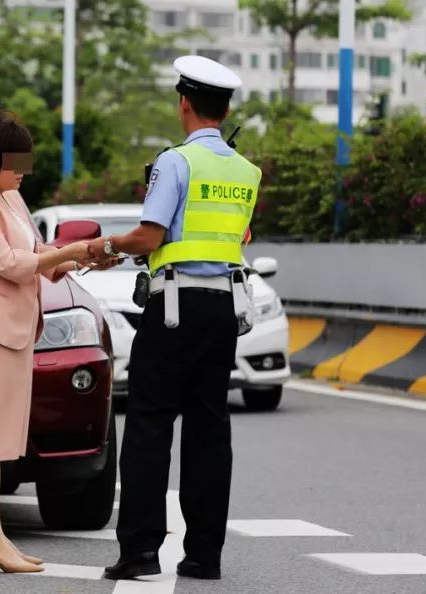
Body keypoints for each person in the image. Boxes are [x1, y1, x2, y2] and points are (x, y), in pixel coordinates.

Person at [93, 56, 261, 581]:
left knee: (149, 425)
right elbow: (240, 239)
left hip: (173, 307)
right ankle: (204, 555)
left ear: (184, 104)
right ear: (226, 108)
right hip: (223, 309)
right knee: (211, 429)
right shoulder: (245, 170)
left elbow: (150, 236)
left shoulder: (176, 162)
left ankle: (140, 551)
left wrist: (107, 246)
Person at [0, 111, 96, 574]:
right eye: (15, 160)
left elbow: (35, 256)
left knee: (0, 433)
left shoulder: (9, 198)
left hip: (12, 329)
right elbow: (9, 264)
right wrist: (66, 253)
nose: (22, 169)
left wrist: (79, 261)